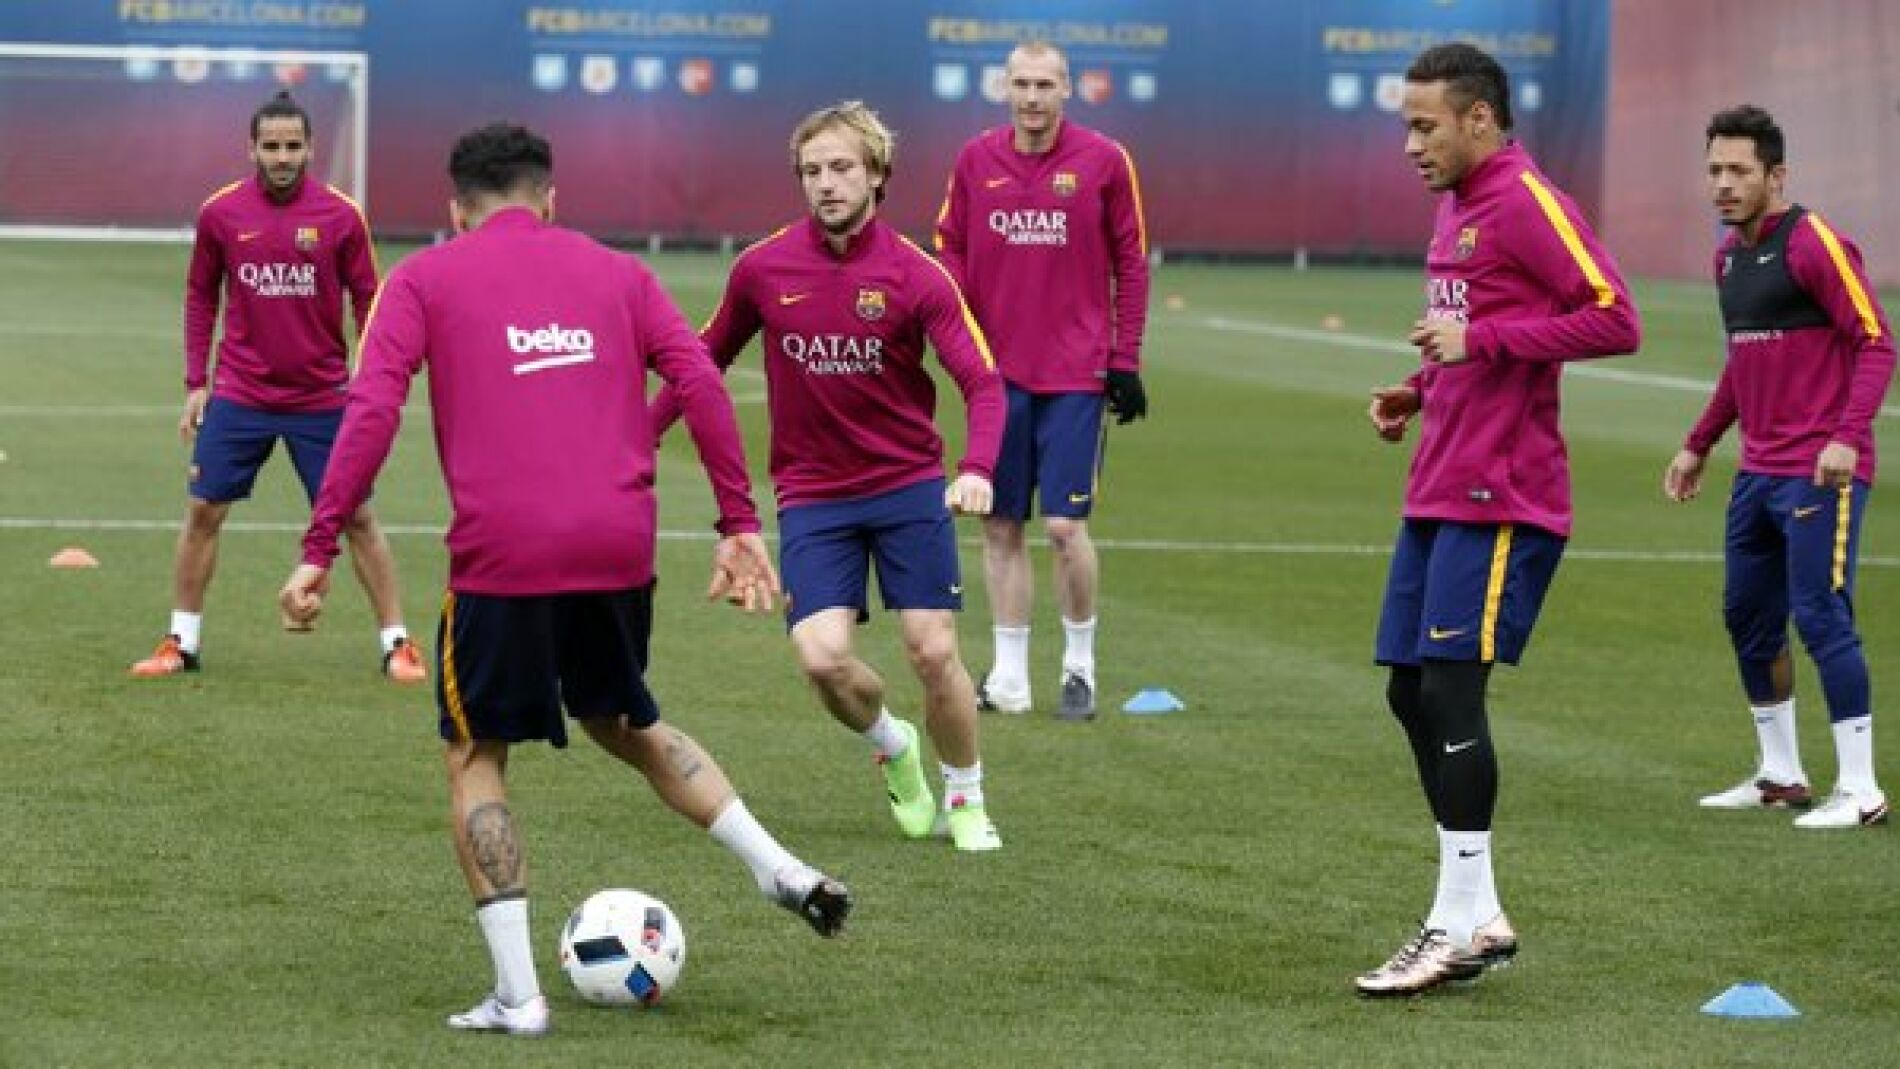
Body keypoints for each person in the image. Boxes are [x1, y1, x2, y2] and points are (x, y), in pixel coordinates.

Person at [279, 122, 851, 1037]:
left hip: (505, 556)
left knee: (475, 755)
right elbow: (701, 380)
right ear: (551, 197)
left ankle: (518, 996)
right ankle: (776, 865)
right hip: (618, 548)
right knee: (628, 720)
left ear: (454, 209)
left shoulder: (423, 278)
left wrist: (317, 547)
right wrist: (740, 523)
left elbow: (373, 408)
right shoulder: (619, 272)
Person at [1357, 43, 1642, 997]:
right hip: (1439, 481)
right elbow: (1464, 332)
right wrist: (1418, 386)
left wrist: (1482, 338)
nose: (1410, 144)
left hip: (1505, 493)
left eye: (1425, 124)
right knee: (1408, 690)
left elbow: (1615, 316)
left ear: (1480, 118)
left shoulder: (1527, 200)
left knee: (1449, 693)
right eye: (1406, 124)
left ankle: (1456, 918)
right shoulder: (1455, 205)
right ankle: (1476, 911)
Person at [653, 101, 1008, 852]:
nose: (826, 183)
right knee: (820, 658)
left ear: (877, 174)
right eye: (812, 171)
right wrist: (634, 440)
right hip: (814, 495)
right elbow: (698, 361)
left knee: (933, 651)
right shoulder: (762, 268)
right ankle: (894, 743)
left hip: (909, 485)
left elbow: (982, 382)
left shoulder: (919, 274)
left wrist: (976, 468)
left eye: (842, 167)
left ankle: (968, 796)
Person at [131, 90, 424, 683]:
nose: (283, 156)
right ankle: (180, 641)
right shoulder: (221, 214)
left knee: (358, 517)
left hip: (322, 398)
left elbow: (372, 299)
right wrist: (196, 382)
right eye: (272, 146)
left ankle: (396, 643)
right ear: (252, 149)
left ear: (311, 148)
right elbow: (199, 296)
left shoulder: (341, 215)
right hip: (241, 393)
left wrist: (371, 372)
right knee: (204, 510)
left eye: (293, 146)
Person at [1664, 105, 1894, 829]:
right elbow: (1743, 362)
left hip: (1820, 471)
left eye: (1739, 170)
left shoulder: (1815, 244)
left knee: (1821, 615)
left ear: (1776, 174)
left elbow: (1876, 342)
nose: (1724, 185)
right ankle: (1780, 775)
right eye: (1714, 171)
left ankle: (1860, 789)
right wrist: (1699, 440)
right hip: (1757, 470)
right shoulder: (1728, 257)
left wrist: (1846, 437)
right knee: (1746, 616)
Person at [933, 40, 1150, 721]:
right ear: (1005, 88)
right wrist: (959, 344)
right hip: (997, 378)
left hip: (1076, 375)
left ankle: (1079, 667)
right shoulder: (975, 160)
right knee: (999, 524)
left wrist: (1126, 358)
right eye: (1021, 84)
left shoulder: (1105, 161)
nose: (1032, 97)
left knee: (1062, 525)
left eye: (1045, 85)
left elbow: (1132, 262)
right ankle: (1009, 678)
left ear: (1068, 90)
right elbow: (951, 252)